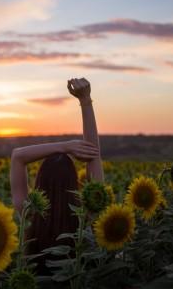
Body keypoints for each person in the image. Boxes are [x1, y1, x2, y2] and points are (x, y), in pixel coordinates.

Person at [10, 77, 104, 275]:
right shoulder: (85, 215)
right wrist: (85, 101)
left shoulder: (29, 212)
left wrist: (64, 146)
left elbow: (18, 156)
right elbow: (93, 153)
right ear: (74, 181)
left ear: (40, 180)